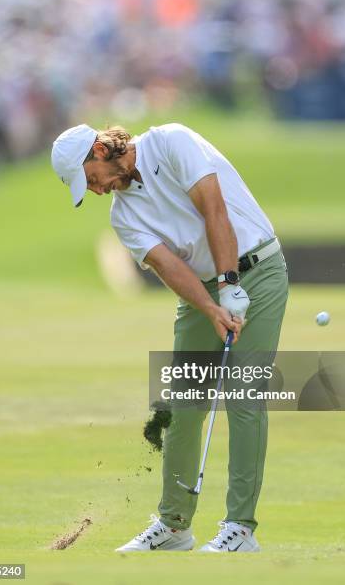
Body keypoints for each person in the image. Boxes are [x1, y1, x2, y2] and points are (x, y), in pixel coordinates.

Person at [51, 122, 288, 553]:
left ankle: (240, 528)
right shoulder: (123, 216)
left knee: (242, 396)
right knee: (182, 405)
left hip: (258, 269)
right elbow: (170, 268)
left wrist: (230, 282)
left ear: (101, 149)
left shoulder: (171, 141)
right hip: (204, 288)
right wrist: (214, 306)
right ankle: (175, 525)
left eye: (91, 179)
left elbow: (213, 208)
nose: (97, 190)